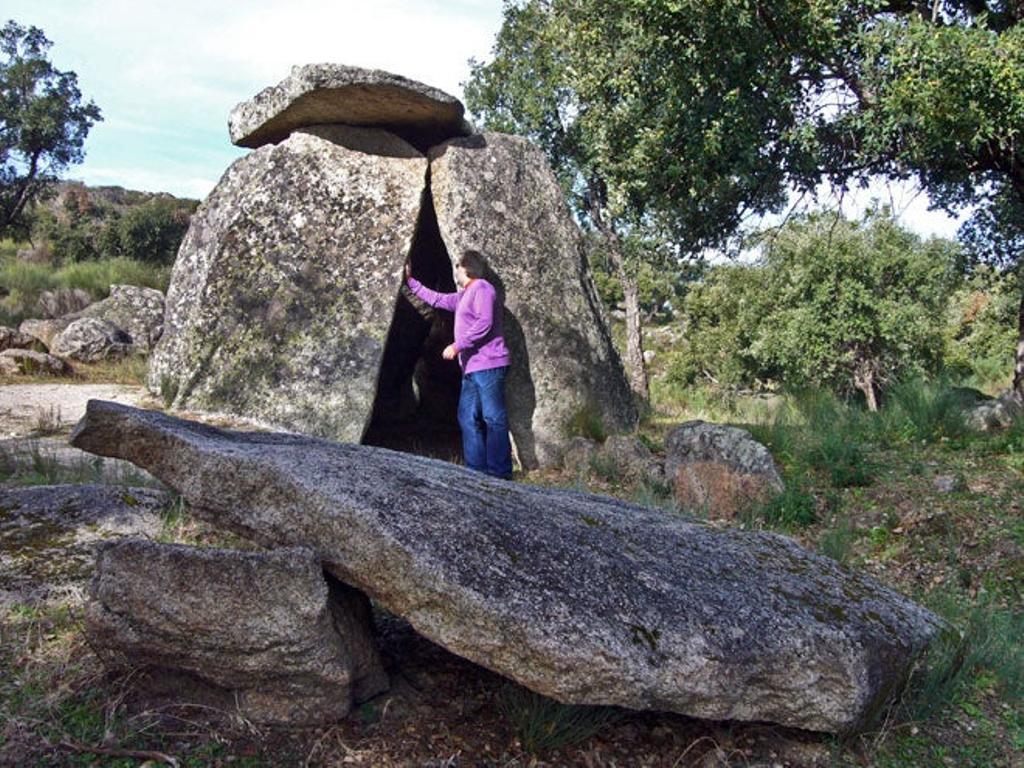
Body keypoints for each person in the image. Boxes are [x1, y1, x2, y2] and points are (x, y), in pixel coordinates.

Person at [405, 250, 513, 478]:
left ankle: (500, 473)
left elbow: (484, 322)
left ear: (466, 268)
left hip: (489, 364)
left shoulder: (483, 288)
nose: (455, 271)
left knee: (493, 418)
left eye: (458, 266)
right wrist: (411, 282)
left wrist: (457, 346)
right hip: (471, 368)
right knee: (467, 417)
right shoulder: (463, 296)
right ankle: (476, 472)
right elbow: (437, 299)